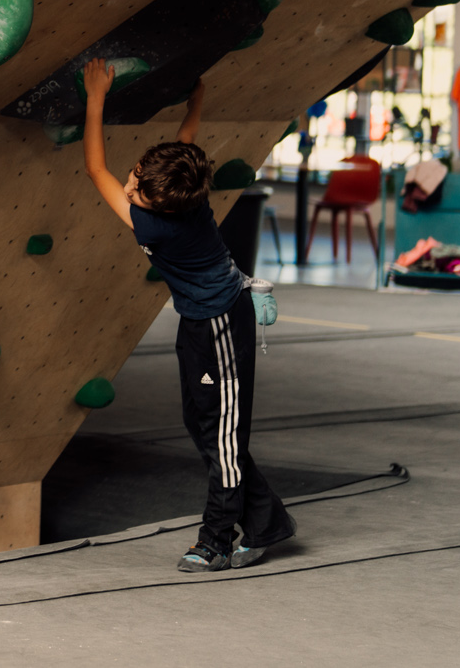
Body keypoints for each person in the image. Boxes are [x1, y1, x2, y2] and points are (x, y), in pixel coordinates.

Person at [80, 61, 295, 574]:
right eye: (135, 180)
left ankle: (216, 540)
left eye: (139, 196)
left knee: (221, 435)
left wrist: (96, 97)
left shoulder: (157, 227)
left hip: (222, 325)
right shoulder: (186, 188)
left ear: (163, 209)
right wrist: (194, 99)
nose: (130, 192)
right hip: (199, 325)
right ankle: (267, 521)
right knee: (203, 426)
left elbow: (95, 168)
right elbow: (186, 142)